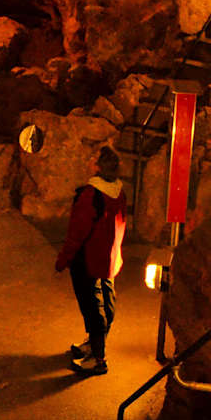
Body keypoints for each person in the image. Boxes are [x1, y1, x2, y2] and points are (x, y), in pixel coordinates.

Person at [54, 146, 128, 375]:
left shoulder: (91, 194)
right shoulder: (119, 192)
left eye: (92, 158)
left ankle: (98, 358)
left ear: (97, 167)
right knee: (106, 301)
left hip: (88, 259)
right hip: (109, 258)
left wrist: (63, 259)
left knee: (92, 306)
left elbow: (77, 232)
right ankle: (93, 344)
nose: (88, 160)